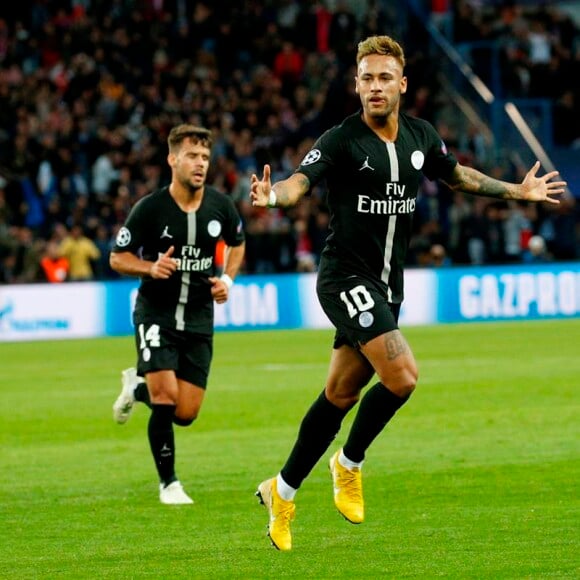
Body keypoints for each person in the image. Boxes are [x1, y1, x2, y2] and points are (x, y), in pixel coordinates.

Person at [250, 34, 566, 551]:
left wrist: (516, 190)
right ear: (356, 85)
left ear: (402, 83)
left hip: (387, 286)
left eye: (383, 77)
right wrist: (274, 197)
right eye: (366, 78)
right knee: (402, 377)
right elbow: (299, 182)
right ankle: (348, 464)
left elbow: (457, 175)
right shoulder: (340, 140)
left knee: (340, 395)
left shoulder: (422, 137)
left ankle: (280, 491)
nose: (375, 87)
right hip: (345, 279)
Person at [110, 124, 245, 505]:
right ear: (172, 159)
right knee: (166, 398)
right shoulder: (150, 209)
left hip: (200, 318)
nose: (200, 163)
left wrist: (228, 282)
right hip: (156, 313)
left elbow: (237, 242)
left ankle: (137, 387)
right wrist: (149, 268)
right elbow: (117, 257)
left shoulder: (221, 206)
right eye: (191, 156)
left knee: (186, 412)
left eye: (205, 157)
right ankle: (169, 484)